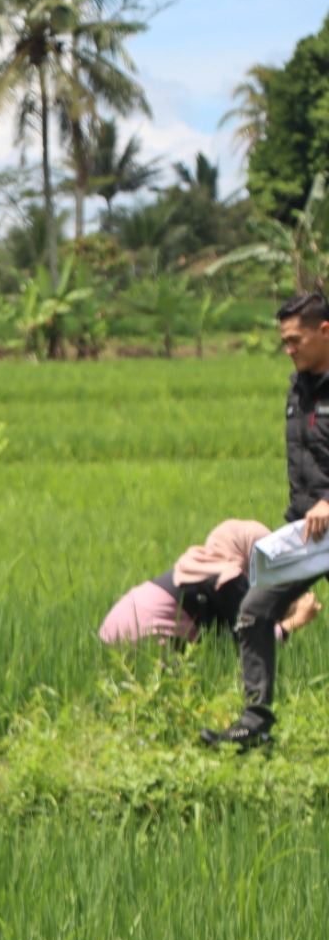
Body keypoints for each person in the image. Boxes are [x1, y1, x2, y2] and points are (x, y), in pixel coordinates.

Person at [205, 292, 329, 749]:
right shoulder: (298, 388)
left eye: (296, 340)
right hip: (307, 534)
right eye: (284, 342)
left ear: (325, 331)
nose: (288, 349)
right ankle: (254, 724)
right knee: (254, 611)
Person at [99, 518, 321, 647]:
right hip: (144, 640)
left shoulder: (201, 566)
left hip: (113, 632)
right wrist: (297, 620)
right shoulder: (226, 579)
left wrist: (282, 606)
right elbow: (253, 639)